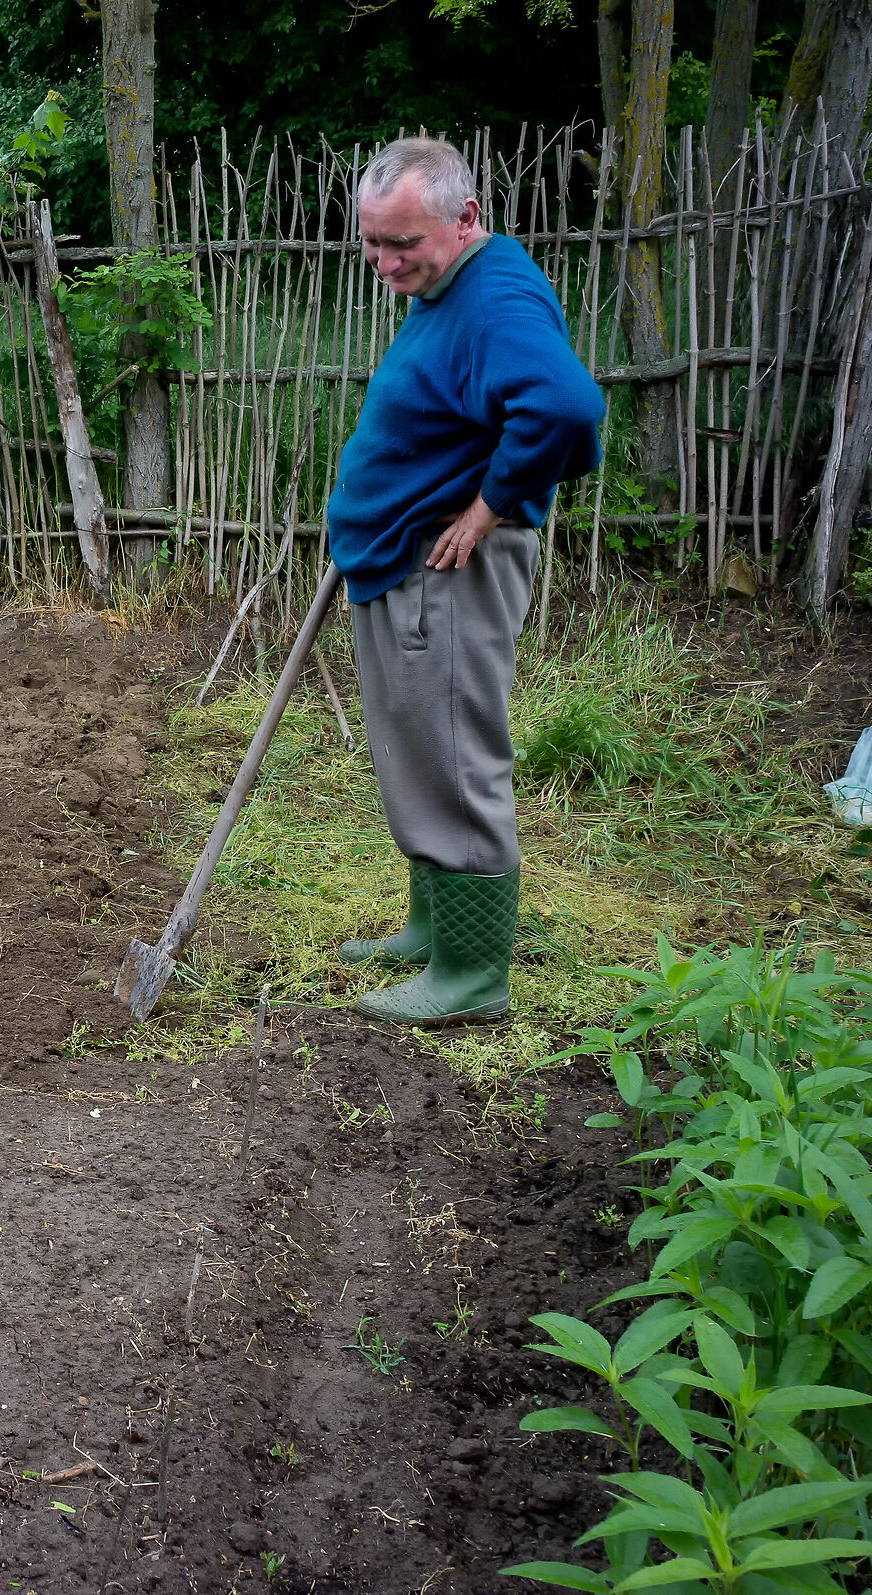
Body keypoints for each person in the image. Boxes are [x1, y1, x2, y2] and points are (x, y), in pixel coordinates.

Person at [325, 138, 605, 1026]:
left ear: (466, 218)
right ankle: (429, 927)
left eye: (401, 242)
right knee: (418, 749)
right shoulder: (445, 285)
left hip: (445, 571)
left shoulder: (496, 295)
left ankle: (473, 973)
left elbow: (565, 405)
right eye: (371, 244)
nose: (383, 262)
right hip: (398, 563)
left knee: (454, 751)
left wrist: (485, 509)